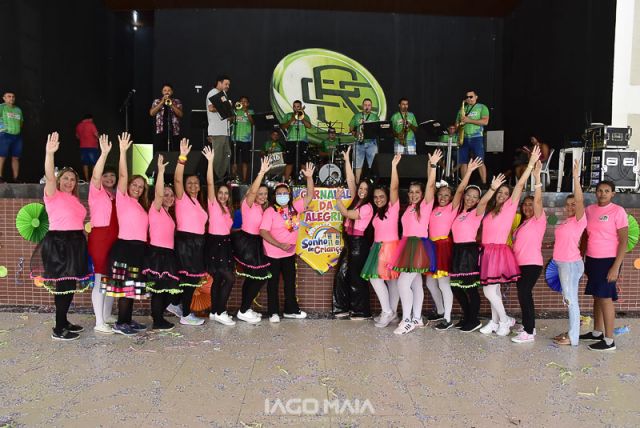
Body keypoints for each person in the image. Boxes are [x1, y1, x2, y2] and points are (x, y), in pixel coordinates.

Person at [478, 146, 540, 336]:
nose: (503, 195)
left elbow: (519, 185)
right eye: (501, 192)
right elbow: (480, 204)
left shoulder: (510, 207)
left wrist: (530, 164)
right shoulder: (489, 210)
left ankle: (505, 320)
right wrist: (492, 188)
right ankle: (496, 321)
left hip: (498, 252)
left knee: (489, 291)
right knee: (493, 290)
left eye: (506, 193)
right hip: (486, 251)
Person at [34, 132, 90, 340]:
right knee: (63, 285)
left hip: (76, 242)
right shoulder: (53, 195)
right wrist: (49, 153)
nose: (69, 182)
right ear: (59, 180)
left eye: (72, 179)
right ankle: (58, 328)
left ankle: (64, 320)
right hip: (59, 243)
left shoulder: (74, 199)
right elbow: (49, 175)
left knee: (70, 285)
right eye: (65, 178)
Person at [390, 150, 442, 334]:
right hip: (407, 246)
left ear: (422, 194)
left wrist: (433, 166)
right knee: (416, 284)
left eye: (417, 192)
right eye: (411, 192)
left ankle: (407, 320)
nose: (413, 195)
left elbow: (430, 186)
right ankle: (417, 318)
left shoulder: (425, 206)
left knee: (403, 284)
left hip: (418, 246)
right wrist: (394, 167)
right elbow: (394, 189)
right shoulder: (408, 208)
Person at [426, 160, 481, 330]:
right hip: (431, 247)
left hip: (443, 247)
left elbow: (460, 190)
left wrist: (469, 171)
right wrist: (432, 166)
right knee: (430, 283)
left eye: (446, 195)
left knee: (444, 284)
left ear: (451, 198)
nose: (443, 198)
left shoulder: (452, 208)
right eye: (440, 195)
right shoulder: (432, 208)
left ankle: (448, 319)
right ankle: (441, 311)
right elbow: (429, 187)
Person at [107, 132, 150, 336]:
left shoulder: (141, 205)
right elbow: (123, 176)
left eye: (141, 187)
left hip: (138, 250)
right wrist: (123, 151)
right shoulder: (122, 199)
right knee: (125, 288)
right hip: (125, 248)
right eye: (135, 185)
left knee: (132, 288)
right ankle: (120, 323)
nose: (137, 189)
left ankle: (127, 320)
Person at [260, 164, 315, 322]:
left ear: (289, 195)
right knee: (273, 284)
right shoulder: (270, 211)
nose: (282, 195)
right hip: (273, 254)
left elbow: (310, 195)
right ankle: (273, 312)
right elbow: (263, 231)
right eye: (279, 193)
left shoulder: (294, 208)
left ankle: (291, 310)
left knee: (290, 283)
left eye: (285, 193)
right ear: (274, 196)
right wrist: (279, 245)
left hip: (289, 253)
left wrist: (309, 177)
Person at [449, 168, 502, 332]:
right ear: (464, 196)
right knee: (456, 287)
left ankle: (473, 320)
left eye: (475, 197)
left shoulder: (476, 212)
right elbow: (458, 191)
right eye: (468, 195)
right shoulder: (458, 211)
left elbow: (484, 202)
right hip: (457, 251)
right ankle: (467, 317)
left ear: (478, 199)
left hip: (468, 252)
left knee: (470, 289)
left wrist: (492, 189)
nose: (471, 199)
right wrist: (469, 172)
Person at [581, 180, 628, 351]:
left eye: (607, 191)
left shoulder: (618, 211)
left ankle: (609, 341)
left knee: (605, 298)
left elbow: (623, 241)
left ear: (613, 193)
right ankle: (597, 332)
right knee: (597, 296)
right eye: (600, 190)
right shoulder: (589, 210)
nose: (603, 194)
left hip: (609, 260)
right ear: (596, 193)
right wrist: (581, 256)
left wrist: (616, 266)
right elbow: (585, 236)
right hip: (592, 259)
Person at [360, 156, 402, 330]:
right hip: (378, 247)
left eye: (381, 196)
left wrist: (393, 167)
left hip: (390, 247)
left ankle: (387, 311)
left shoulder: (393, 207)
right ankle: (391, 312)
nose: (378, 199)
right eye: (376, 197)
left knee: (378, 279)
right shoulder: (377, 212)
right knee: (389, 281)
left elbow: (394, 187)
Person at [334, 147, 374, 320]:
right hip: (349, 242)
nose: (362, 191)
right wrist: (346, 160)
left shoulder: (367, 207)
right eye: (361, 188)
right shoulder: (356, 200)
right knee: (342, 275)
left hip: (358, 243)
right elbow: (351, 180)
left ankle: (361, 311)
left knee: (357, 278)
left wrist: (338, 200)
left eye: (365, 189)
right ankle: (342, 307)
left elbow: (346, 213)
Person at [173, 138, 209, 326]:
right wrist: (182, 158)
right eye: (190, 183)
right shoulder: (182, 198)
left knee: (191, 279)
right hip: (186, 243)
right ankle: (185, 314)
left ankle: (176, 305)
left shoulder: (198, 203)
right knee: (189, 279)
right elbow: (177, 179)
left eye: (196, 183)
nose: (193, 185)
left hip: (198, 243)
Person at [144, 154, 181, 331]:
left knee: (167, 289)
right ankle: (157, 320)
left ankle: (158, 316)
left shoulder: (167, 213)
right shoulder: (155, 208)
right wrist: (161, 172)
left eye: (171, 195)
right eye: (166, 195)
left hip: (168, 253)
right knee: (159, 290)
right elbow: (158, 193)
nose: (169, 197)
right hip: (157, 253)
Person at [511, 160, 546, 343]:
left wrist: (537, 177)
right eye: (525, 204)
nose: (527, 207)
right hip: (520, 265)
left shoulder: (539, 219)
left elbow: (538, 200)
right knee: (524, 295)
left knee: (524, 294)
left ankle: (529, 332)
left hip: (531, 264)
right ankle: (527, 325)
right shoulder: (523, 224)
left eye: (531, 204)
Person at [552, 160, 586, 347]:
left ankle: (573, 337)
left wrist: (575, 178)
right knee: (569, 300)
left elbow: (580, 200)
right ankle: (573, 332)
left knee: (571, 300)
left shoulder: (580, 219)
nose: (571, 207)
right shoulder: (567, 221)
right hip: (563, 263)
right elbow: (563, 241)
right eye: (568, 205)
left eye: (573, 205)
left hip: (570, 265)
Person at [234, 157, 272, 324]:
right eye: (260, 193)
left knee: (252, 278)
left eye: (265, 194)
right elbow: (252, 192)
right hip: (247, 243)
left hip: (257, 243)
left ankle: (245, 308)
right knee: (259, 277)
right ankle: (243, 310)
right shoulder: (247, 204)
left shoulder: (263, 208)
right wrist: (261, 172)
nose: (262, 196)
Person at [202, 146, 236, 326]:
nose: (222, 195)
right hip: (215, 243)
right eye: (220, 193)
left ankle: (215, 311)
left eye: (225, 193)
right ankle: (221, 311)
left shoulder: (228, 209)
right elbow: (209, 183)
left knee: (219, 280)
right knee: (229, 278)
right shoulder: (213, 204)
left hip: (225, 243)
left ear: (229, 196)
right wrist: (210, 162)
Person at [88, 135, 118, 334]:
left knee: (110, 278)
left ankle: (106, 315)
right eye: (105, 176)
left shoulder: (114, 194)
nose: (108, 179)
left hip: (114, 238)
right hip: (100, 238)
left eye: (111, 176)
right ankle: (99, 322)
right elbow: (96, 175)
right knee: (100, 278)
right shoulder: (96, 191)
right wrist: (104, 153)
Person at [456, 90, 490, 187]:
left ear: (476, 97)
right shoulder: (462, 109)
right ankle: (464, 185)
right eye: (467, 97)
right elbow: (456, 124)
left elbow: (485, 122)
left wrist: (469, 120)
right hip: (464, 137)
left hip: (477, 137)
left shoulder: (482, 107)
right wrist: (459, 124)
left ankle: (484, 184)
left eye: (471, 96)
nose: (468, 98)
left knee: (480, 161)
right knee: (463, 161)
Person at [206, 75, 232, 179]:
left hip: (224, 130)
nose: (228, 86)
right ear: (219, 83)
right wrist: (225, 107)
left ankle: (220, 177)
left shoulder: (223, 94)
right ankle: (214, 178)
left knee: (227, 153)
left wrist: (229, 112)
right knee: (217, 156)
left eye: (229, 84)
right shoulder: (213, 92)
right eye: (226, 84)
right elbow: (211, 108)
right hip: (217, 131)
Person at [349, 99, 380, 182]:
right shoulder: (357, 116)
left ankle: (372, 183)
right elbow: (351, 128)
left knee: (373, 165)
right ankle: (357, 183)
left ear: (371, 107)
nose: (367, 107)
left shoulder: (375, 117)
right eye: (365, 105)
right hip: (359, 143)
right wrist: (355, 133)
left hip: (371, 143)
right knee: (357, 166)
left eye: (369, 105)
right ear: (362, 106)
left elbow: (378, 129)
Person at [280, 100, 311, 181]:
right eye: (295, 106)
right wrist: (292, 119)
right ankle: (286, 181)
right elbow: (283, 127)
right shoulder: (288, 115)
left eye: (298, 107)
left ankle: (306, 182)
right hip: (291, 141)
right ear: (293, 107)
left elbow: (309, 126)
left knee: (303, 162)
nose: (296, 108)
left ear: (300, 107)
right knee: (289, 162)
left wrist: (301, 117)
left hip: (303, 141)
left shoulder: (305, 116)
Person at [149, 83, 183, 152]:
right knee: (160, 151)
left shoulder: (176, 101)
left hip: (174, 131)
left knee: (174, 152)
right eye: (165, 90)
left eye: (169, 90)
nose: (167, 92)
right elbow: (152, 113)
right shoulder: (157, 101)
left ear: (172, 92)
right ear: (162, 92)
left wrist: (171, 105)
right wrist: (162, 102)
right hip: (160, 131)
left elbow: (180, 114)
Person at [0, 91, 24, 182]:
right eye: (9, 96)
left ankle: (16, 178)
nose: (11, 98)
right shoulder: (1, 107)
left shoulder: (18, 110)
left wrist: (17, 130)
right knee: (2, 156)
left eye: (13, 96)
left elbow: (21, 122)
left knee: (16, 157)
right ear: (4, 98)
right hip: (5, 135)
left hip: (17, 136)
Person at [231, 96, 254, 183]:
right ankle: (234, 179)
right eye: (241, 101)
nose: (243, 103)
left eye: (245, 101)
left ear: (248, 104)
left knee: (245, 161)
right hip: (235, 139)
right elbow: (230, 120)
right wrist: (233, 115)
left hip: (246, 140)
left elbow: (252, 122)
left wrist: (246, 112)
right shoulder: (235, 111)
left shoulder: (251, 111)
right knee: (234, 160)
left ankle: (244, 180)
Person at [75, 114, 99, 182]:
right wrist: (100, 137)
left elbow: (77, 136)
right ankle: (93, 179)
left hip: (83, 146)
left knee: (85, 163)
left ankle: (87, 179)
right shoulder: (91, 124)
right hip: (92, 146)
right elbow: (96, 134)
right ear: (90, 118)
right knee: (94, 163)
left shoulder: (78, 125)